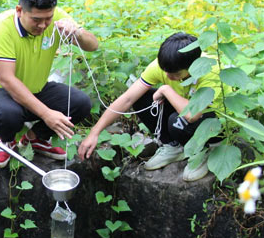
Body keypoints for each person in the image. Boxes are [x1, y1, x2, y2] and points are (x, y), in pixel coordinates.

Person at [0, 0, 99, 168]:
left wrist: (78, 32)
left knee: (81, 104)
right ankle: (6, 141)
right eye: (36, 20)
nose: (42, 25)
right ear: (19, 10)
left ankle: (34, 138)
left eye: (47, 18)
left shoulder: (56, 18)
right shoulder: (2, 26)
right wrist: (47, 114)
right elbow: (7, 80)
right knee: (8, 114)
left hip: (36, 89)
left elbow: (93, 45)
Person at [78, 32, 224, 181]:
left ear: (193, 66)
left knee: (176, 121)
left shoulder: (210, 71)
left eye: (174, 74)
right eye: (165, 70)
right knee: (141, 97)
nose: (167, 76)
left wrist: (165, 90)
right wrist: (95, 132)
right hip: (184, 111)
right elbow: (127, 98)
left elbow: (193, 115)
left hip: (213, 123)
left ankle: (206, 150)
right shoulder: (166, 66)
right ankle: (173, 146)